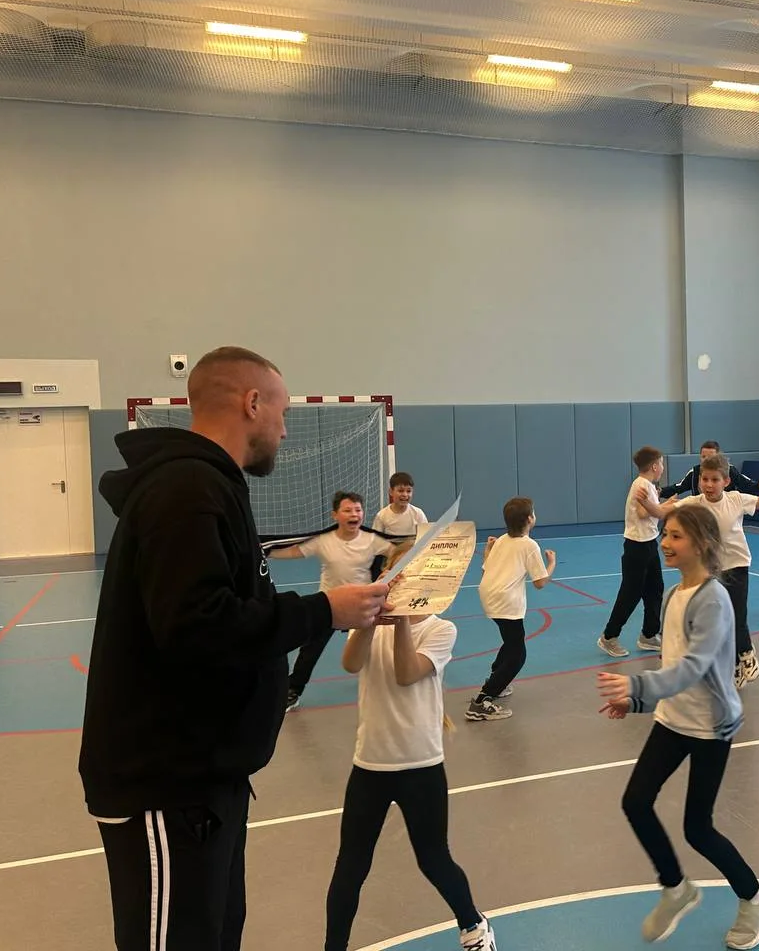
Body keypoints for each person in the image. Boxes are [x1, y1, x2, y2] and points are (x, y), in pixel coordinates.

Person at [79, 346, 389, 951]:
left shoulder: (210, 485)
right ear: (252, 403)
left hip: (207, 778)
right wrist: (324, 611)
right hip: (166, 785)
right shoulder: (185, 489)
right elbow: (197, 626)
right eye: (282, 412)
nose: (284, 428)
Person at [597, 504, 759, 950]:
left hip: (711, 727)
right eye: (665, 534)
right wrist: (638, 702)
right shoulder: (676, 594)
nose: (665, 543)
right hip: (673, 719)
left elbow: (694, 668)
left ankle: (755, 898)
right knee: (636, 801)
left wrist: (636, 684)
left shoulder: (713, 600)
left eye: (675, 535)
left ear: (702, 543)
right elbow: (672, 664)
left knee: (698, 829)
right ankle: (676, 888)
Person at [325, 609, 496, 951]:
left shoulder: (441, 629)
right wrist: (369, 622)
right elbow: (350, 664)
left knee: (433, 859)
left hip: (421, 766)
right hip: (370, 765)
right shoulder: (369, 627)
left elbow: (406, 673)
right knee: (351, 865)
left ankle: (473, 925)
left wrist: (402, 620)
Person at [662, 456, 759, 688]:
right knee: (718, 620)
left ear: (726, 481)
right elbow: (663, 511)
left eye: (714, 480)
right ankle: (734, 664)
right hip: (710, 570)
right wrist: (646, 502)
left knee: (737, 616)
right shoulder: (695, 503)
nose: (709, 485)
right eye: (705, 479)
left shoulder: (736, 499)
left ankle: (747, 654)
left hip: (736, 565)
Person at [270, 492, 396, 710]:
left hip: (363, 605)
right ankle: (294, 690)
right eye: (347, 510)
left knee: (380, 645)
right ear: (335, 515)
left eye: (358, 510)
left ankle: (387, 681)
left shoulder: (372, 540)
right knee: (310, 650)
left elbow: (398, 551)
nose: (354, 514)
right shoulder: (324, 540)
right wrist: (265, 552)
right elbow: (294, 551)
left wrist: (392, 568)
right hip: (331, 605)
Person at [466, 497, 555, 722]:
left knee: (511, 640)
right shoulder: (529, 545)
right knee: (518, 655)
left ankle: (498, 679)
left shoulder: (502, 541)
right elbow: (540, 582)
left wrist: (488, 549)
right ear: (530, 519)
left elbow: (486, 568)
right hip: (506, 602)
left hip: (488, 595)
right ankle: (482, 700)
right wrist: (552, 563)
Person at [598, 446, 667, 658]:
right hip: (637, 546)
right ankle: (609, 637)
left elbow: (647, 510)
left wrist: (662, 504)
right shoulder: (642, 485)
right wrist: (669, 507)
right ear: (654, 466)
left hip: (649, 543)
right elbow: (643, 512)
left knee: (655, 589)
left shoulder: (647, 485)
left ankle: (649, 634)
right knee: (630, 594)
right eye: (661, 463)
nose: (662, 467)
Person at [659, 441, 759, 499]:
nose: (706, 460)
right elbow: (679, 487)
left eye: (710, 457)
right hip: (702, 512)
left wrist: (757, 486)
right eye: (703, 457)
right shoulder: (695, 472)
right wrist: (660, 492)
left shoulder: (729, 470)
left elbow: (743, 482)